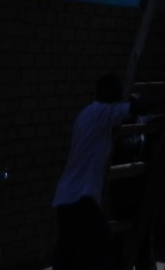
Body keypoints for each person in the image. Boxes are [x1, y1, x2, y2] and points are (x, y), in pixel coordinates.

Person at [52, 72, 135, 270]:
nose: (120, 95)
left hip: (71, 196)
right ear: (106, 92)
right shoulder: (98, 113)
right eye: (118, 90)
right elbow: (131, 110)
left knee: (69, 255)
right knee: (102, 248)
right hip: (79, 197)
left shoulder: (93, 115)